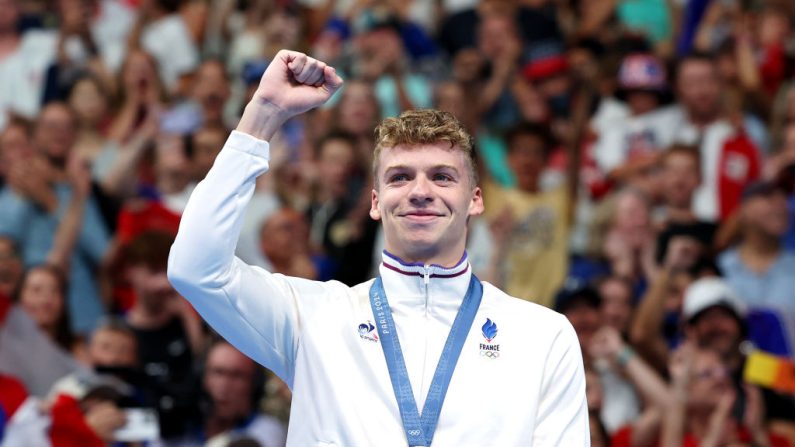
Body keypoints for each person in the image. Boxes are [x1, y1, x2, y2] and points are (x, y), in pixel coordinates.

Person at [168, 50, 588, 445]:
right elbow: (195, 269)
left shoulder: (542, 335)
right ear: (374, 201)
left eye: (442, 177)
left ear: (475, 199)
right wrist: (261, 118)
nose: (420, 191)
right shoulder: (311, 318)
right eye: (400, 177)